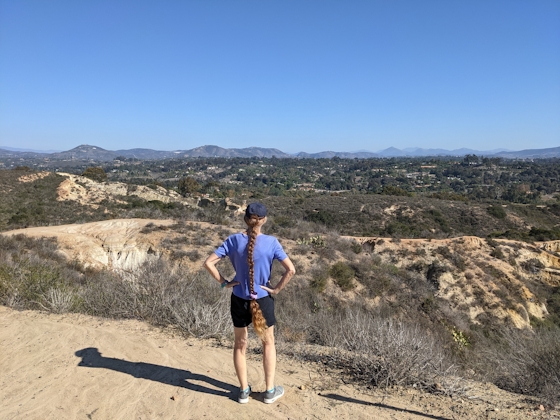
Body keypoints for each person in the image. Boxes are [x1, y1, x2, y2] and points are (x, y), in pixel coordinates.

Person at [204, 202, 296, 404]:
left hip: (238, 298)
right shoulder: (272, 243)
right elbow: (291, 270)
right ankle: (270, 391)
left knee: (239, 345)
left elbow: (208, 263)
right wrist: (276, 289)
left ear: (245, 219)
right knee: (268, 343)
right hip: (263, 299)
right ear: (264, 220)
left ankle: (244, 391)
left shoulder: (233, 240)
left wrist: (224, 283)